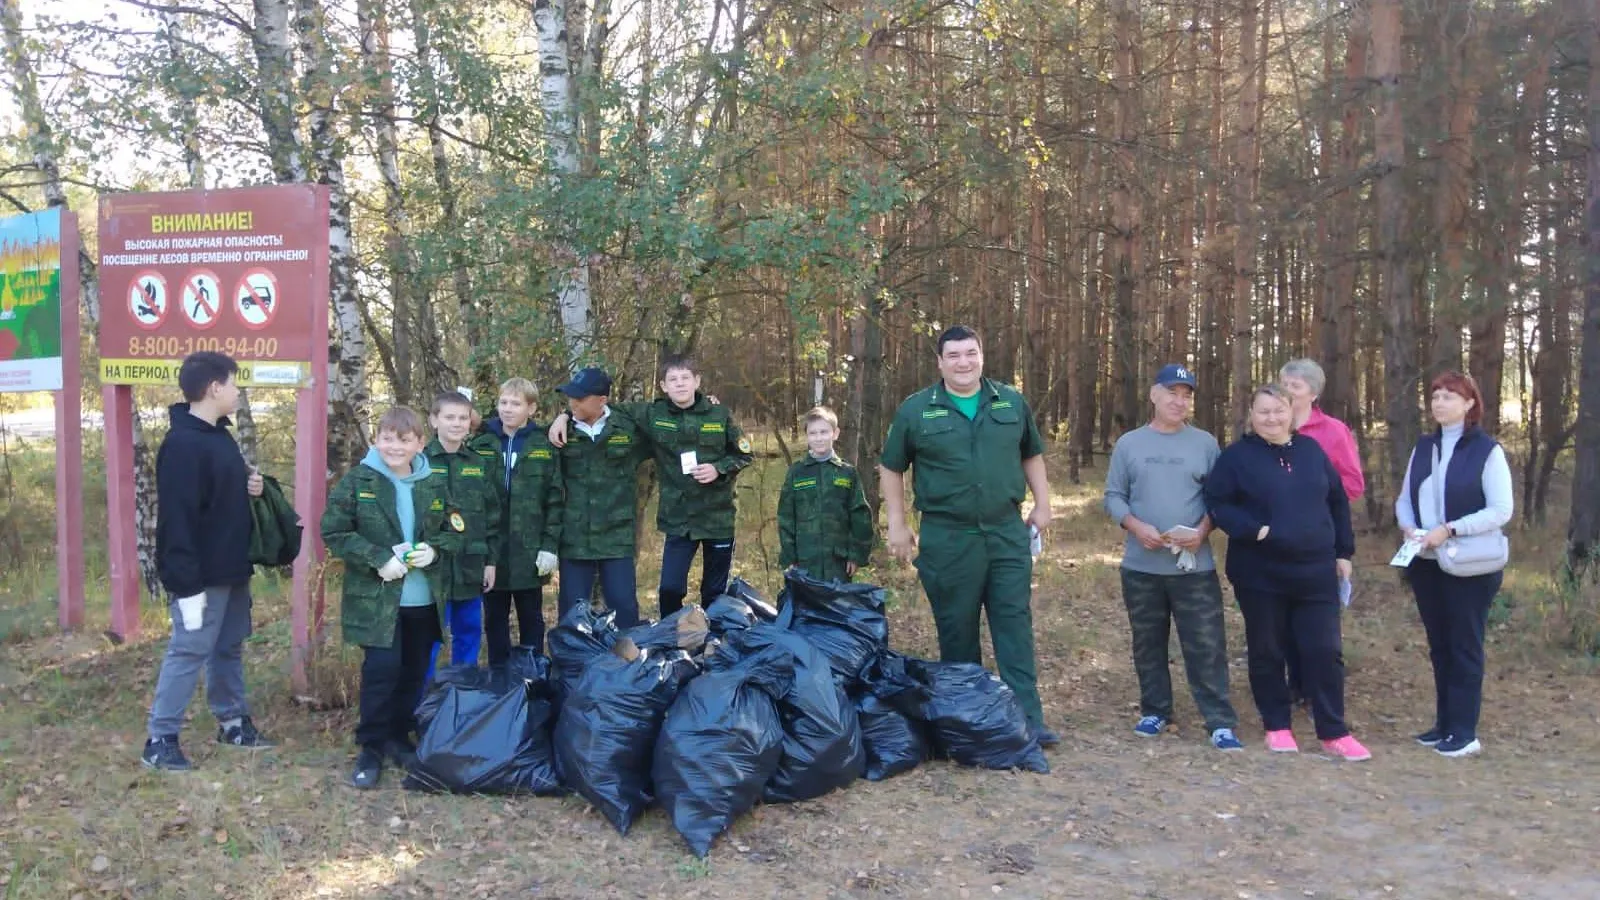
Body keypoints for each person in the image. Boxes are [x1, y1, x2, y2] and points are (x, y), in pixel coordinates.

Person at [880, 325, 1059, 748]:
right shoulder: (917, 410)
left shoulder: (1010, 403)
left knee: (1013, 625)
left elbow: (1031, 454)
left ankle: (1026, 721)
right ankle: (970, 722)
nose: (964, 362)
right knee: (956, 630)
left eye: (971, 353)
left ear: (982, 356)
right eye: (954, 355)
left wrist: (1044, 503)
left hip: (1005, 532)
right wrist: (898, 523)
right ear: (940, 362)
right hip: (948, 535)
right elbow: (892, 467)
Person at [1205, 385, 1368, 760]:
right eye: (1263, 411)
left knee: (1324, 650)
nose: (1272, 418)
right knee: (1268, 648)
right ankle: (1277, 725)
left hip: (1315, 571)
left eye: (1278, 410)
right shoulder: (1236, 457)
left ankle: (1333, 730)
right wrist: (1254, 529)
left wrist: (1344, 551)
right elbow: (1217, 502)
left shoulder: (1311, 452)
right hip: (1260, 572)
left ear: (1291, 413)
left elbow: (1337, 501)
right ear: (1251, 415)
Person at [142, 352, 270, 771]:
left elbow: (218, 495)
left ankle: (232, 722)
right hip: (198, 576)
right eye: (233, 384)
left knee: (227, 648)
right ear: (214, 388)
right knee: (188, 651)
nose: (237, 392)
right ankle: (160, 740)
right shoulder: (182, 444)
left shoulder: (219, 437)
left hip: (232, 567)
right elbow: (176, 521)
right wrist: (185, 586)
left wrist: (249, 485)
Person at [1103, 364, 1241, 751]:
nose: (1180, 401)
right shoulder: (1130, 444)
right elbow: (1113, 495)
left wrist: (1202, 531)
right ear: (1154, 395)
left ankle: (1218, 720)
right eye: (1172, 393)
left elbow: (1219, 499)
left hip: (1193, 567)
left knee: (1206, 643)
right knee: (1148, 640)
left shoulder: (1205, 444)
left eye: (1187, 395)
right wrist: (1134, 525)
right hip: (1142, 567)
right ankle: (1155, 709)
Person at [322, 406, 460, 788]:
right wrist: (378, 558)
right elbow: (333, 531)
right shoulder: (359, 481)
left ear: (420, 443)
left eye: (403, 440)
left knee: (414, 672)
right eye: (386, 438)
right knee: (382, 671)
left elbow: (455, 528)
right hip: (379, 601)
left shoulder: (433, 482)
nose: (393, 447)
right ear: (376, 439)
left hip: (422, 600)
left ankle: (399, 737)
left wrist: (435, 550)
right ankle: (371, 746)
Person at [551, 357, 753, 618]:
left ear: (697, 381)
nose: (680, 384)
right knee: (669, 589)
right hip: (678, 519)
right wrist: (563, 416)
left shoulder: (720, 414)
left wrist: (718, 469)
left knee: (714, 593)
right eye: (673, 379)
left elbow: (745, 453)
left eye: (685, 378)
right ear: (663, 386)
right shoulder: (651, 414)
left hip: (718, 517)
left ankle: (713, 646)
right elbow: (600, 406)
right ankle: (671, 640)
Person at [1395, 371, 1512, 758]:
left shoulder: (1486, 450)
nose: (1440, 402)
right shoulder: (1424, 447)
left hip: (1471, 565)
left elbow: (1500, 509)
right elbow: (1405, 498)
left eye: (1449, 397)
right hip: (1427, 562)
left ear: (1469, 404)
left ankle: (1465, 731)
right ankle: (1444, 725)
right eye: (1436, 396)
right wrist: (1411, 527)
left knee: (1464, 646)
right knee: (1440, 646)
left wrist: (1450, 529)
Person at [1278, 358, 1365, 705]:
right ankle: (1295, 686)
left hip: (1319, 538)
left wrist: (1314, 494)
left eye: (1295, 387)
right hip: (1277, 539)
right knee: (1281, 618)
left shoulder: (1332, 431)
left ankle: (1321, 692)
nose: (1286, 392)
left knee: (1317, 624)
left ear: (1313, 393)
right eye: (1283, 383)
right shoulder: (1270, 425)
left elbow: (1353, 484)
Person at [549, 366, 651, 627]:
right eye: (570, 398)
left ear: (602, 400)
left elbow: (672, 419)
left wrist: (703, 404)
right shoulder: (560, 432)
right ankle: (573, 665)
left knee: (624, 607)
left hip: (616, 535)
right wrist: (561, 417)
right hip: (575, 536)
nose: (573, 403)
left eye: (580, 399)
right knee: (572, 612)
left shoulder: (628, 426)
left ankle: (629, 665)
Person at [479, 377, 563, 665]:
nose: (507, 409)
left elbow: (555, 499)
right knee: (494, 619)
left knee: (531, 617)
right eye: (503, 402)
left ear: (531, 408)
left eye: (516, 403)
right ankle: (500, 677)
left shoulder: (544, 443)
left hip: (530, 550)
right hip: (492, 551)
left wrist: (550, 546)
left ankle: (533, 674)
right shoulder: (482, 441)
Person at [423, 390, 502, 673]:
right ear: (434, 420)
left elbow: (492, 517)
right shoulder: (419, 463)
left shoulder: (478, 464)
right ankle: (424, 702)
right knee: (429, 638)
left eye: (463, 418)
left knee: (468, 632)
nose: (457, 424)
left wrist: (490, 562)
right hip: (432, 570)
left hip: (471, 565)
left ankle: (463, 693)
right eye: (449, 417)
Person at [778, 406, 875, 582]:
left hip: (838, 562)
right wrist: (790, 557)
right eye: (813, 433)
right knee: (805, 607)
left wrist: (855, 555)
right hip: (804, 561)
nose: (819, 438)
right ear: (807, 436)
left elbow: (860, 515)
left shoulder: (847, 473)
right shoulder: (796, 473)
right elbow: (786, 518)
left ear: (835, 433)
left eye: (824, 432)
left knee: (836, 607)